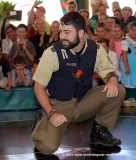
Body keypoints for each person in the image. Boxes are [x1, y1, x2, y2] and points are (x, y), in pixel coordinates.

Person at [31, 12, 126, 155]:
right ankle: (42, 117)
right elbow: (38, 87)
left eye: (67, 32)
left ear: (81, 32)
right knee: (47, 148)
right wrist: (51, 113)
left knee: (118, 89)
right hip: (59, 106)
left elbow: (108, 74)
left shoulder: (96, 49)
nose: (62, 36)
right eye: (61, 32)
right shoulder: (52, 53)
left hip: (83, 102)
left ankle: (99, 132)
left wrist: (112, 79)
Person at [119, 21, 136, 88]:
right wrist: (126, 67)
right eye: (133, 30)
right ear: (129, 30)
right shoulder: (126, 41)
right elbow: (124, 54)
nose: (135, 32)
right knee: (129, 76)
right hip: (128, 62)